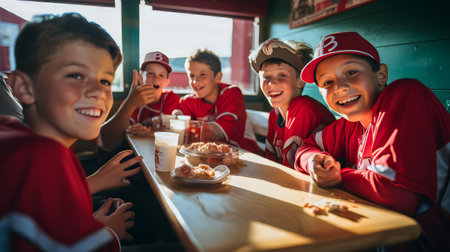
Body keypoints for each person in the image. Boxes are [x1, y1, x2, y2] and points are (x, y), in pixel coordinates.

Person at [295, 31, 450, 250]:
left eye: (351, 72)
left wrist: (339, 176)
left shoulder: (405, 95)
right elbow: (305, 146)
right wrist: (313, 161)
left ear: (381, 74)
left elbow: (399, 197)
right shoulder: (349, 125)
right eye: (328, 82)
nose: (339, 87)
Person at [0, 13, 132, 251]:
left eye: (105, 81)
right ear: (24, 87)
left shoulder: (14, 137)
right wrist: (108, 234)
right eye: (76, 75)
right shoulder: (46, 156)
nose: (98, 92)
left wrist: (87, 223)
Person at [249, 38, 335, 168]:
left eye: (282, 75)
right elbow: (270, 161)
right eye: (266, 77)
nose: (272, 83)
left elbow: (291, 167)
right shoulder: (275, 114)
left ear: (301, 81)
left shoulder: (302, 107)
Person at [179, 49, 262, 154]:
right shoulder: (188, 101)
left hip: (245, 153)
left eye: (202, 74)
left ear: (218, 77)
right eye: (192, 76)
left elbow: (219, 132)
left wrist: (185, 126)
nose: (195, 81)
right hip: (210, 155)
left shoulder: (232, 92)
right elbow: (181, 133)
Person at [100, 51, 180, 148]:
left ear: (167, 82)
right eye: (150, 73)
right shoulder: (131, 101)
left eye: (161, 75)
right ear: (141, 78)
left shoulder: (171, 98)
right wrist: (134, 129)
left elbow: (170, 129)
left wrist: (150, 130)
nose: (155, 78)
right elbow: (112, 138)